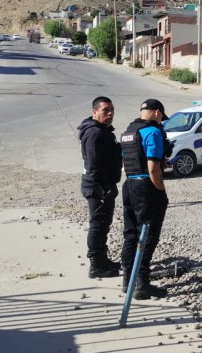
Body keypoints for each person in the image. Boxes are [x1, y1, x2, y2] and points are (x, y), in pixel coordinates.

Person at [119, 98, 170, 299]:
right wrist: (161, 190)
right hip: (146, 187)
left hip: (129, 184)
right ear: (157, 113)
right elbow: (153, 167)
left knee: (130, 233)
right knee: (147, 235)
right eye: (161, 117)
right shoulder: (153, 132)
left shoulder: (128, 132)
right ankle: (142, 284)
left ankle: (127, 282)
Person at [77, 96, 123, 279]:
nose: (110, 113)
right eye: (106, 110)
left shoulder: (101, 130)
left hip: (102, 185)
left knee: (104, 225)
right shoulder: (95, 133)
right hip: (97, 187)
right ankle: (96, 265)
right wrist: (104, 188)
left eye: (112, 109)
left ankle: (103, 260)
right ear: (94, 112)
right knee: (97, 225)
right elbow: (94, 165)